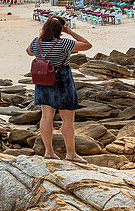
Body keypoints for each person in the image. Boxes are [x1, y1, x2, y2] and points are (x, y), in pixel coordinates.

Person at [26, 17, 92, 161]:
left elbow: (29, 52)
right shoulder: (63, 43)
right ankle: (71, 153)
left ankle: (49, 152)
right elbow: (87, 45)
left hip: (44, 80)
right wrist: (69, 31)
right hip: (63, 81)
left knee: (46, 117)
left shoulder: (36, 42)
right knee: (67, 119)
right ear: (59, 30)